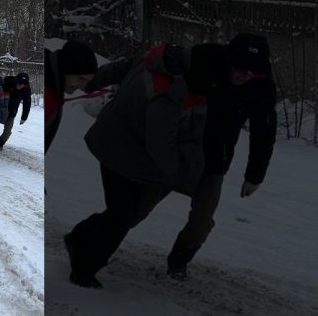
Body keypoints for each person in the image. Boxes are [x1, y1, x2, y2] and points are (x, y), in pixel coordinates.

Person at [63, 43, 230, 289]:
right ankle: (83, 268)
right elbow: (162, 147)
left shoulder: (168, 61)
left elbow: (123, 67)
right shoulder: (170, 92)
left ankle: (79, 237)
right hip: (118, 148)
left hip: (131, 148)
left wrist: (91, 81)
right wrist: (188, 179)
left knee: (124, 212)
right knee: (122, 215)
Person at [166, 33, 277, 281]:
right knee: (137, 208)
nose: (245, 75)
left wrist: (254, 176)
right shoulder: (205, 62)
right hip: (177, 150)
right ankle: (88, 244)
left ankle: (178, 262)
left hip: (215, 159)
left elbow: (264, 132)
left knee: (202, 222)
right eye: (240, 68)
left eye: (253, 72)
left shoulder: (261, 88)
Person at [45, 40, 99, 153]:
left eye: (87, 81)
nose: (82, 86)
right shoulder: (49, 95)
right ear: (67, 69)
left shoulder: (53, 83)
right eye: (81, 78)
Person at [0, 71, 32, 151]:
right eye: (19, 83)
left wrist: (24, 117)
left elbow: (27, 104)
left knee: (8, 131)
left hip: (11, 112)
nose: (20, 85)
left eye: (23, 84)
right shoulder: (8, 83)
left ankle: (0, 144)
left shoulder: (26, 91)